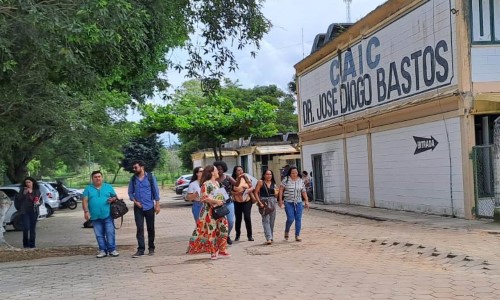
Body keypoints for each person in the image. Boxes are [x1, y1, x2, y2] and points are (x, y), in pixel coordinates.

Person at [187, 165, 231, 260]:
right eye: (216, 170)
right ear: (212, 172)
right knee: (212, 231)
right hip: (209, 212)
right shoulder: (206, 184)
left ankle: (222, 249)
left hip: (219, 210)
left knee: (224, 228)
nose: (218, 172)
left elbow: (218, 195)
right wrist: (216, 201)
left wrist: (221, 200)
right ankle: (213, 252)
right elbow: (204, 198)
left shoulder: (217, 183)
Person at [82, 170, 120, 258]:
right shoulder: (88, 188)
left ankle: (112, 250)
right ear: (92, 179)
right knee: (99, 234)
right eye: (95, 177)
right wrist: (86, 211)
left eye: (99, 176)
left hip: (108, 215)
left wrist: (112, 199)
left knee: (110, 232)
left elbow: (115, 197)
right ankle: (102, 250)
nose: (97, 178)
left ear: (102, 177)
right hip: (95, 217)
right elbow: (85, 200)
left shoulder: (108, 187)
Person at [128, 160, 161, 258]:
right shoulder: (133, 179)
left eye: (136, 167)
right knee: (139, 228)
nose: (134, 169)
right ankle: (141, 249)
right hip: (138, 208)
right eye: (133, 168)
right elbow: (130, 192)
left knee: (150, 228)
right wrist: (135, 201)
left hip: (149, 207)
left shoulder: (150, 177)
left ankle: (151, 248)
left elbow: (155, 191)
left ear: (142, 167)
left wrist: (157, 205)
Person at [278, 166, 310, 242]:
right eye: (292, 173)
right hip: (288, 202)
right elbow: (281, 190)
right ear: (290, 173)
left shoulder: (300, 180)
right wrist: (280, 200)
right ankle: (286, 230)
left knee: (298, 218)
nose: (294, 174)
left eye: (295, 173)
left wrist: (306, 201)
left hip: (298, 202)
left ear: (297, 173)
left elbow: (303, 191)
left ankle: (297, 235)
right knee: (290, 218)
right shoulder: (286, 180)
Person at [14, 177, 42, 248]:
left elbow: (40, 200)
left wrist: (39, 202)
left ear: (32, 182)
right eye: (26, 182)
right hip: (24, 211)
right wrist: (24, 193)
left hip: (34, 211)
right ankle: (25, 244)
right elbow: (18, 199)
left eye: (29, 182)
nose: (27, 184)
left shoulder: (37, 190)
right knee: (26, 228)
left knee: (32, 228)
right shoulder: (22, 190)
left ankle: (32, 245)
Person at [213, 160, 236, 245]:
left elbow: (236, 184)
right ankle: (220, 238)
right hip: (217, 204)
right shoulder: (213, 179)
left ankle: (227, 235)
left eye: (221, 169)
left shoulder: (227, 177)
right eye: (217, 169)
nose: (219, 171)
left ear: (224, 169)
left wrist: (242, 177)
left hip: (229, 202)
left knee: (230, 221)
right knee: (219, 222)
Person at [254, 170, 278, 245]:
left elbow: (276, 194)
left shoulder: (274, 184)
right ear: (264, 175)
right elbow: (256, 192)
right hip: (264, 202)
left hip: (273, 201)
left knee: (272, 220)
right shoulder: (260, 182)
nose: (269, 176)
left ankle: (271, 236)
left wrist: (277, 192)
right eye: (267, 174)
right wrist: (259, 202)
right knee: (265, 220)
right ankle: (268, 237)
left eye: (270, 174)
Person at [231, 166, 255, 241]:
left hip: (247, 201)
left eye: (241, 170)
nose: (240, 172)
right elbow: (230, 191)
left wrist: (248, 190)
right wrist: (238, 193)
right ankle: (237, 235)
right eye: (238, 170)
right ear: (235, 172)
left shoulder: (246, 178)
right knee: (238, 219)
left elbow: (252, 187)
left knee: (247, 217)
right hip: (237, 202)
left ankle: (250, 235)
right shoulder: (233, 180)